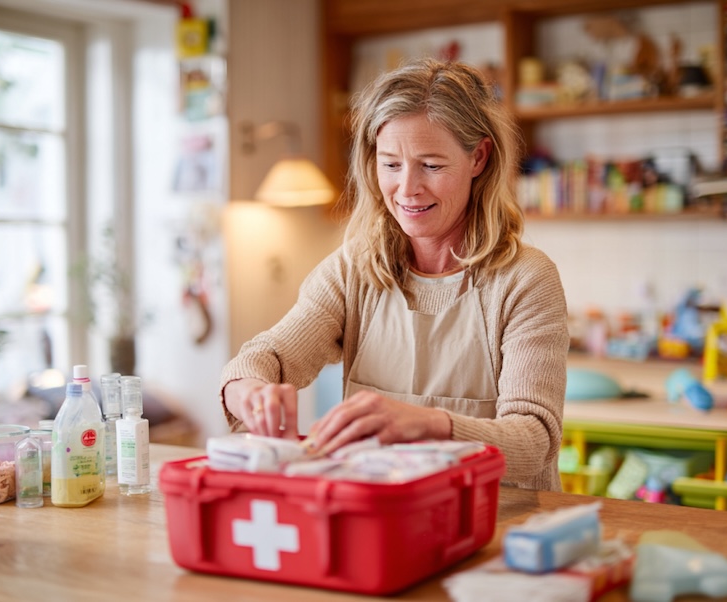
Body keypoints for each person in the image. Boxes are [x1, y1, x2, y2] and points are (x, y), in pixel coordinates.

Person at [220, 58, 569, 491]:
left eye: (431, 165)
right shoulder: (355, 270)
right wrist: (250, 391)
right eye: (390, 164)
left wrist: (426, 425)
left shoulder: (526, 280)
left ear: (478, 157)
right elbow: (266, 355)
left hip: (499, 530)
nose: (407, 189)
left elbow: (533, 441)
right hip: (384, 522)